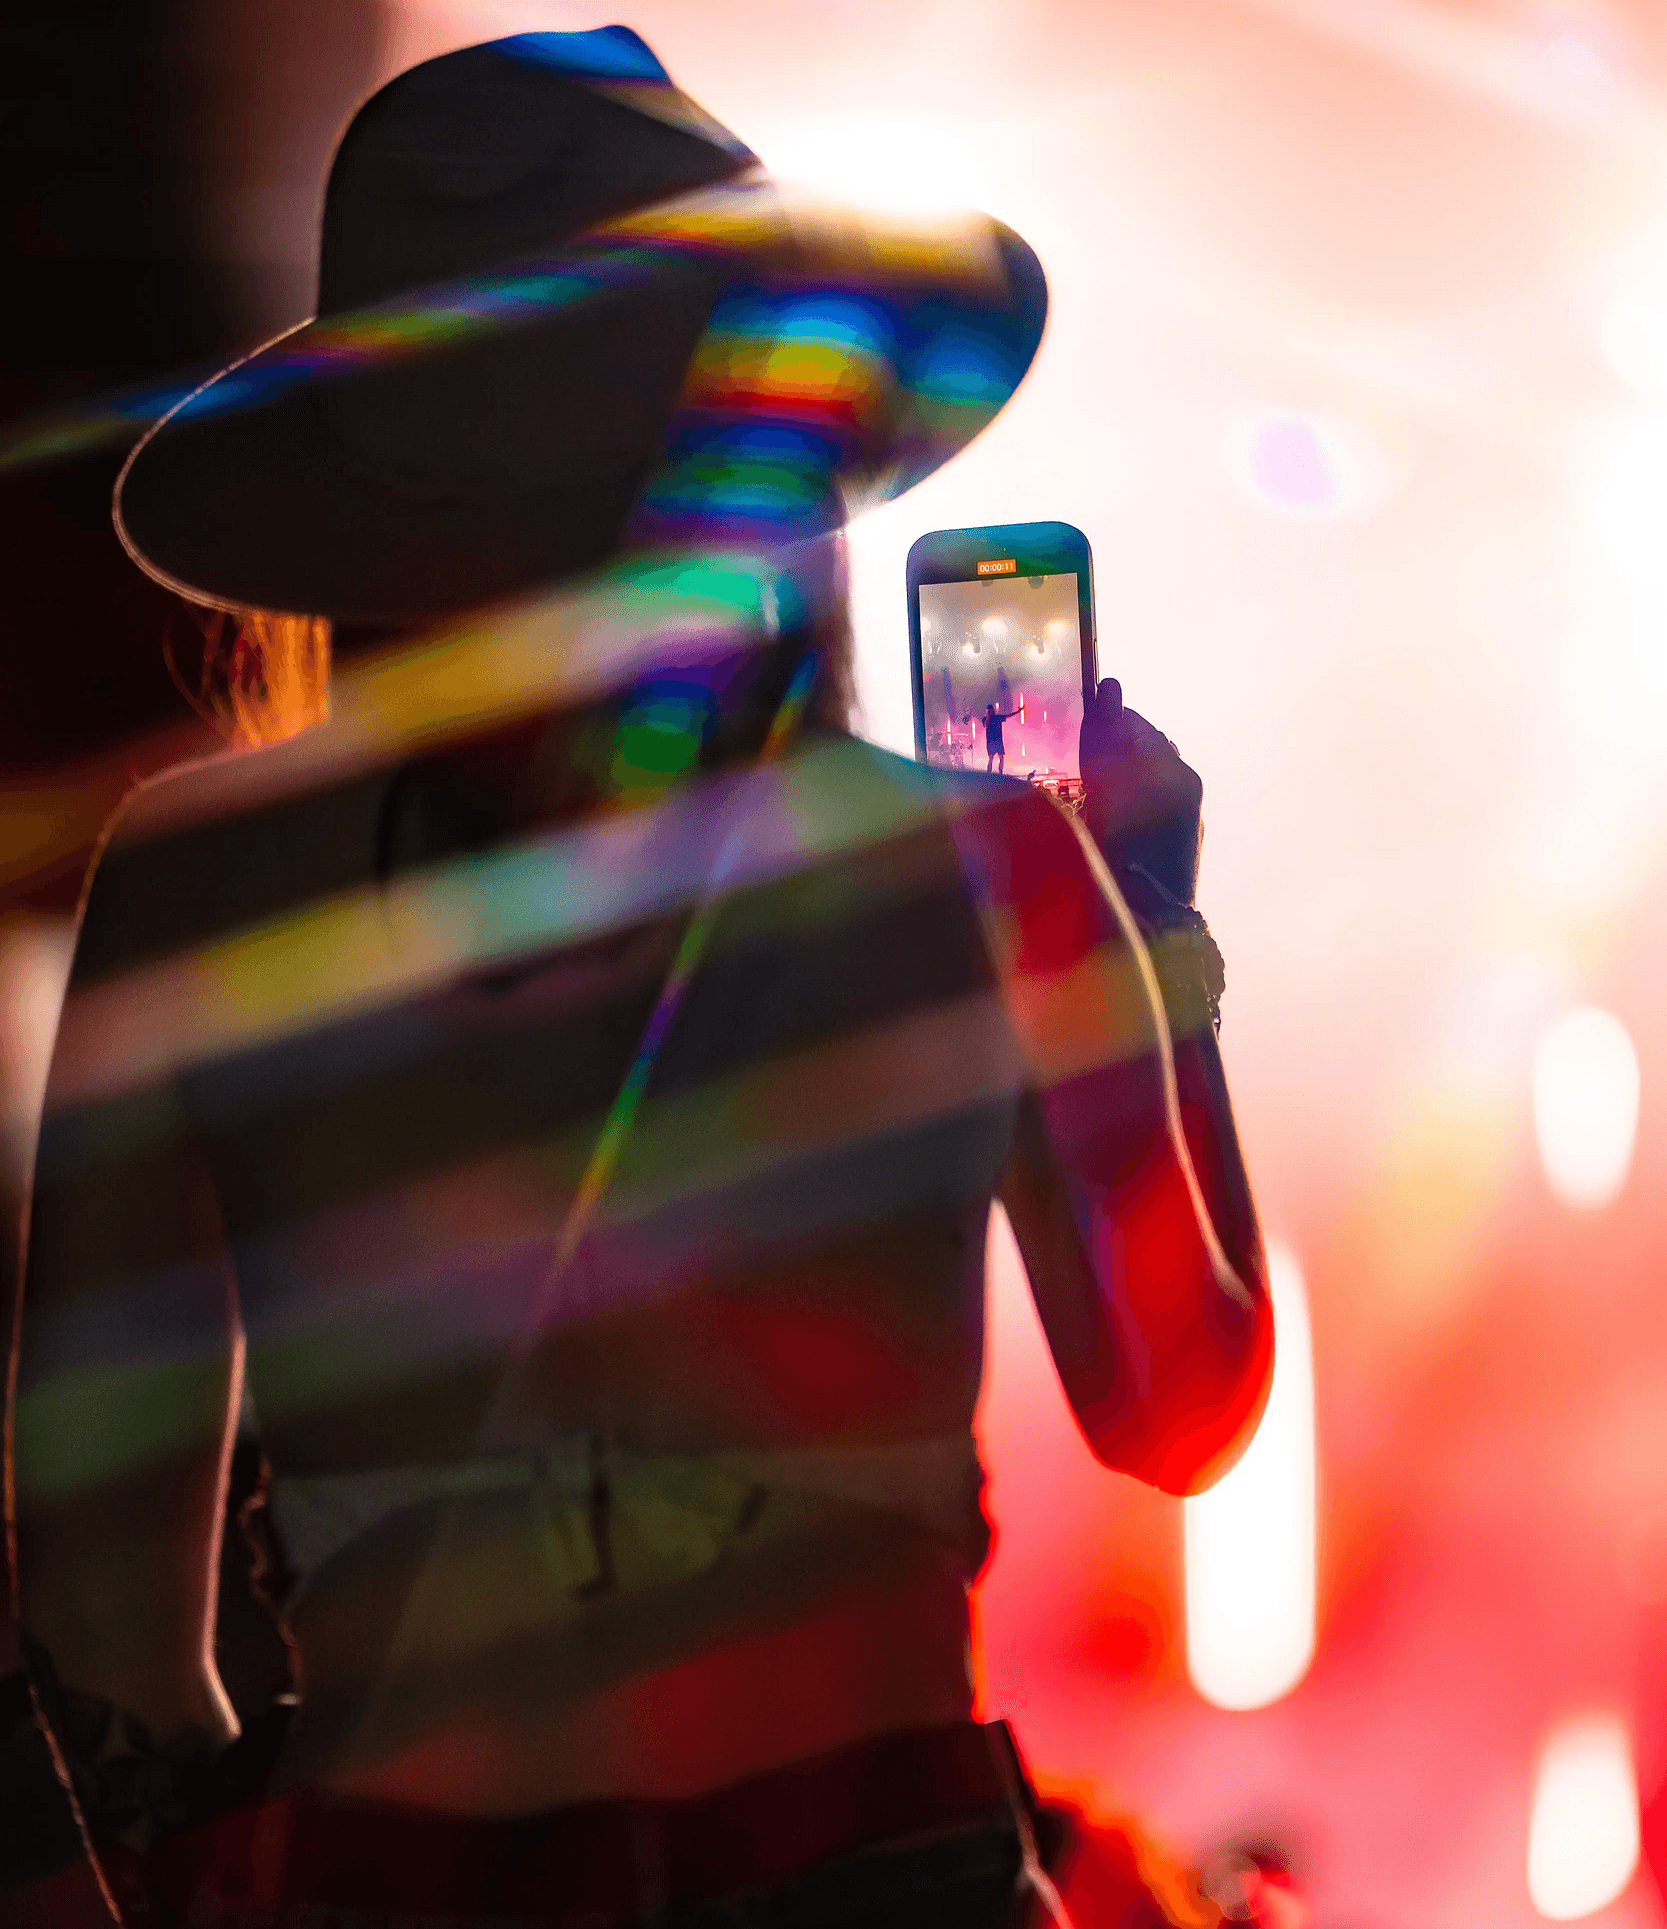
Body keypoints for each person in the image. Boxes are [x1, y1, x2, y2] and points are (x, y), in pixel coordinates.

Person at [8, 29, 1271, 1929]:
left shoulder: (196, 884)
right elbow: (1179, 1406)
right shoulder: (985, 861)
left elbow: (99, 1614)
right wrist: (1150, 936)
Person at [969, 701, 1020, 775]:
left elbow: (1008, 716)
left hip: (998, 741)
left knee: (1001, 758)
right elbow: (985, 725)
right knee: (991, 758)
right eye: (988, 710)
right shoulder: (985, 719)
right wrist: (988, 717)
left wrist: (1018, 711)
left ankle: (1000, 773)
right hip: (991, 741)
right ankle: (989, 774)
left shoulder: (997, 717)